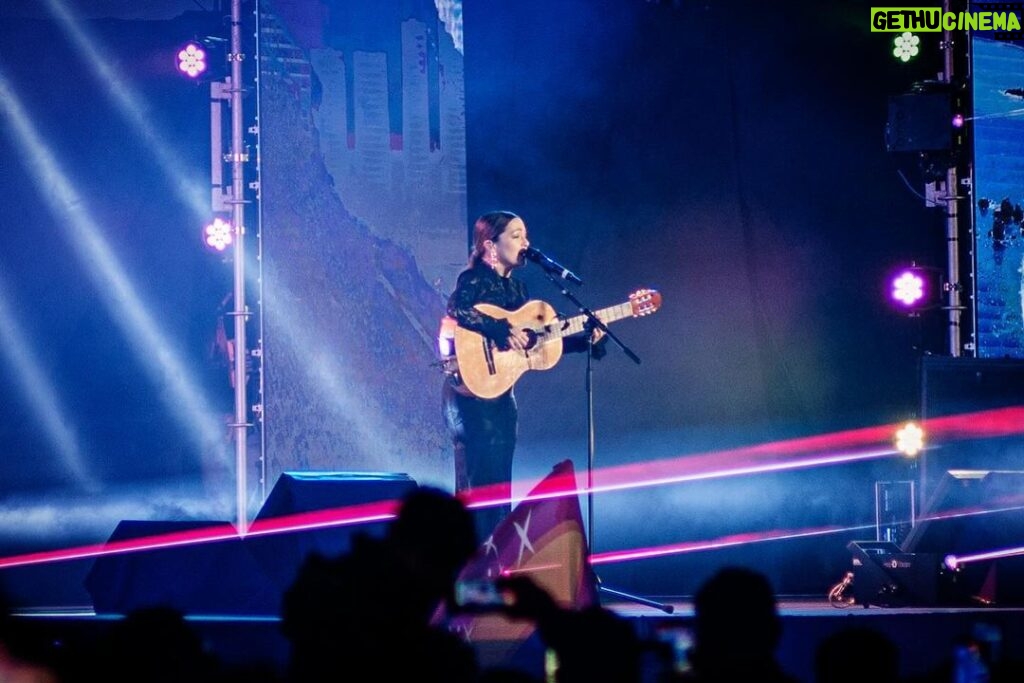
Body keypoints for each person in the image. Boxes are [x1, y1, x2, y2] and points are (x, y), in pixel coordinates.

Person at [442, 210, 605, 541]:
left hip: (503, 395)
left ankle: (497, 562)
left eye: (526, 235)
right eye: (516, 236)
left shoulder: (517, 290)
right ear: (490, 245)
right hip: (472, 396)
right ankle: (476, 569)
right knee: (482, 486)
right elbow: (458, 310)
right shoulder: (473, 279)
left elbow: (537, 342)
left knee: (501, 484)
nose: (526, 243)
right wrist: (501, 328)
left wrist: (583, 338)